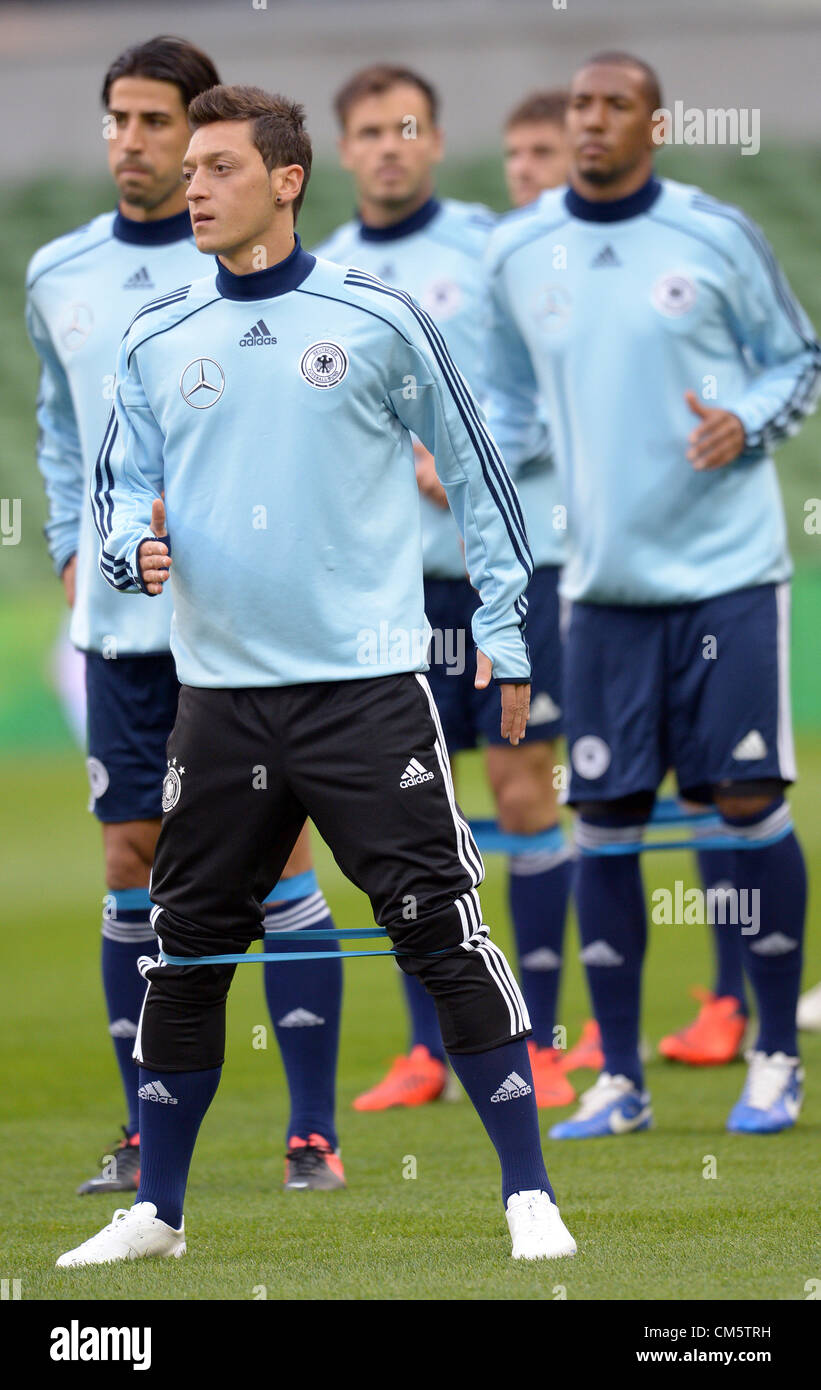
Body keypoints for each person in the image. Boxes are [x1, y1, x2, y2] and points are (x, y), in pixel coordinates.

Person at [56, 84, 576, 1266]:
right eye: (188, 168)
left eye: (220, 167)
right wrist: (138, 551)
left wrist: (503, 631)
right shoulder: (157, 335)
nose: (193, 186)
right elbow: (116, 494)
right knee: (183, 949)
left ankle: (527, 1194)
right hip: (219, 702)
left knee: (438, 926)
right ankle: (161, 1212)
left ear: (285, 181)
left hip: (363, 690)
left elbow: (477, 464)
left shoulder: (378, 317)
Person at [25, 35, 343, 1198]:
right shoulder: (58, 271)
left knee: (279, 862)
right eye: (117, 119)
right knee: (130, 853)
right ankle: (144, 1129)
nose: (133, 143)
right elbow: (63, 431)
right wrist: (71, 543)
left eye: (157, 122)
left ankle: (313, 1131)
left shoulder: (261, 268)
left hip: (253, 627)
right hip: (123, 623)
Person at [485, 51, 819, 1138]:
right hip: (600, 588)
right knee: (608, 819)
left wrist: (746, 421)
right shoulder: (517, 250)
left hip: (725, 577)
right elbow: (502, 400)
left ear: (654, 124)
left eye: (611, 105)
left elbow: (797, 360)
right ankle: (617, 1079)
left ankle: (772, 1054)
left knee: (741, 803)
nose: (589, 121)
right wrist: (463, 455)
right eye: (577, 103)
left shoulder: (712, 235)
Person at [316, 64, 581, 1112]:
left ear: (433, 141)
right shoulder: (321, 273)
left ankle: (546, 1040)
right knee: (409, 820)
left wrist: (477, 462)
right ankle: (431, 1049)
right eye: (368, 131)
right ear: (341, 152)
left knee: (523, 793)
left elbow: (561, 381)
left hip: (499, 576)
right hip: (386, 597)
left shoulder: (490, 246)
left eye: (405, 128)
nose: (387, 145)